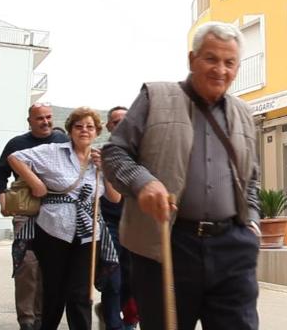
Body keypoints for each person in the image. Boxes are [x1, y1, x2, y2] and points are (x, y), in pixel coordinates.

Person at [103, 21, 261, 330]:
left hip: (232, 247)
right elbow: (114, 153)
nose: (220, 70)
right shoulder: (155, 96)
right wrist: (142, 182)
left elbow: (251, 177)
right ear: (192, 59)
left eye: (229, 63)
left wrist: (251, 220)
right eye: (211, 59)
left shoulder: (244, 112)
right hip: (167, 246)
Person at [7, 107, 122, 330]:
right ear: (70, 130)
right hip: (52, 230)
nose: (84, 131)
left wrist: (106, 169)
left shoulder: (102, 157)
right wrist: (36, 183)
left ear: (97, 132)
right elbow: (15, 157)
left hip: (88, 234)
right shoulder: (53, 151)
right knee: (54, 291)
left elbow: (115, 198)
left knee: (80, 294)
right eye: (79, 126)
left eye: (90, 127)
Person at [0, 103, 69, 330]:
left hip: (57, 213)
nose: (45, 122)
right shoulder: (16, 144)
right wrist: (2, 197)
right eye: (39, 118)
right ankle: (26, 320)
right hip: (25, 212)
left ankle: (42, 319)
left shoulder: (62, 141)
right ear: (29, 121)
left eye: (48, 117)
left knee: (49, 268)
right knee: (27, 265)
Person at [95, 106, 137, 330]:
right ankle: (115, 324)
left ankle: (127, 318)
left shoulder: (143, 151)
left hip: (139, 223)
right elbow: (111, 198)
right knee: (112, 276)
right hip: (109, 222)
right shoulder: (101, 153)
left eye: (125, 120)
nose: (120, 124)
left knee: (133, 278)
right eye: (115, 121)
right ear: (109, 126)